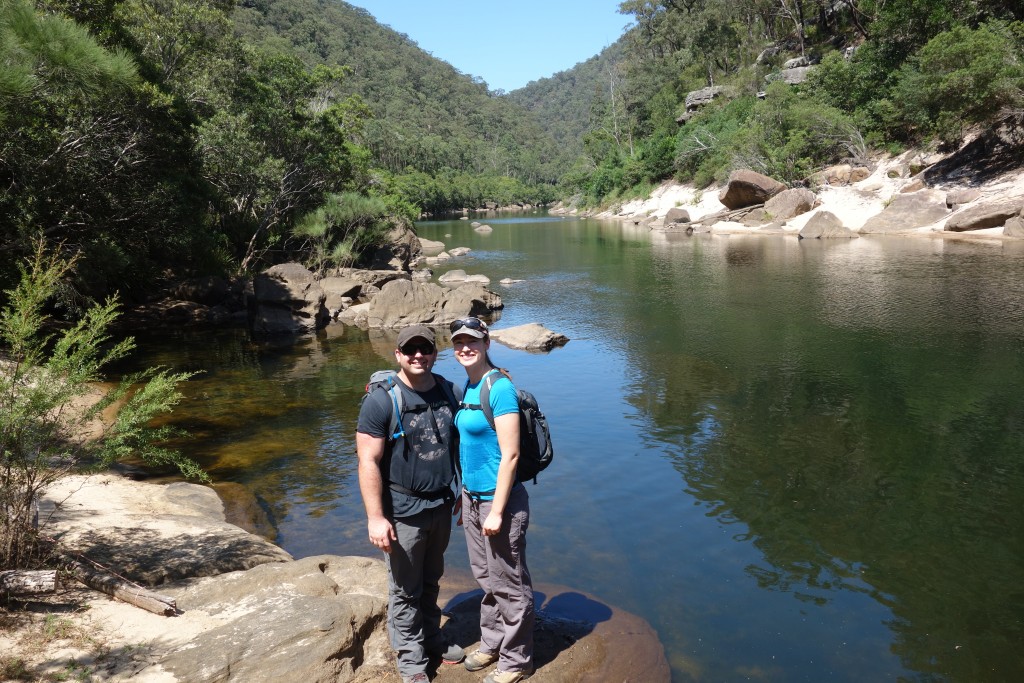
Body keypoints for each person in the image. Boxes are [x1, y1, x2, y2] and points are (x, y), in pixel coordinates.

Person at [356, 324, 465, 683]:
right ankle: (412, 662)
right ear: (398, 355)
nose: (419, 355)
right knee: (405, 590)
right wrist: (375, 517)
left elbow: (460, 445)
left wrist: (463, 490)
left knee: (431, 580)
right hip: (403, 511)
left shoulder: (449, 392)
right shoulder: (382, 401)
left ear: (435, 353)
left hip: (441, 505)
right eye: (410, 350)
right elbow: (368, 460)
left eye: (425, 349)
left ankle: (432, 638)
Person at [449, 317, 535, 683]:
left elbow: (510, 455)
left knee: (509, 583)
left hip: (500, 502)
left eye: (472, 341)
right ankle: (493, 641)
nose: (465, 348)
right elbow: (471, 448)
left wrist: (497, 511)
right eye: (459, 342)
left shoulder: (498, 388)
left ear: (486, 343)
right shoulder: (470, 386)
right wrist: (463, 495)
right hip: (472, 499)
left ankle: (516, 661)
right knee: (486, 577)